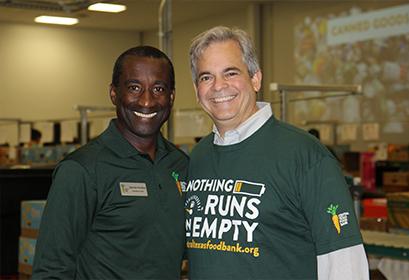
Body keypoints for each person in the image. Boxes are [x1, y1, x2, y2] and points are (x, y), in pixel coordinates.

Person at [184, 26, 368, 279]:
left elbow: (344, 262)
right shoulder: (198, 157)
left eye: (231, 72)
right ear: (196, 91)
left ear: (256, 78)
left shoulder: (305, 155)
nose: (219, 86)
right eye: (206, 77)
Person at [32, 46, 189, 279]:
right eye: (134, 88)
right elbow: (51, 269)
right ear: (114, 93)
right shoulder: (81, 170)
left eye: (158, 89)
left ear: (171, 96)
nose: (147, 101)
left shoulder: (181, 165)